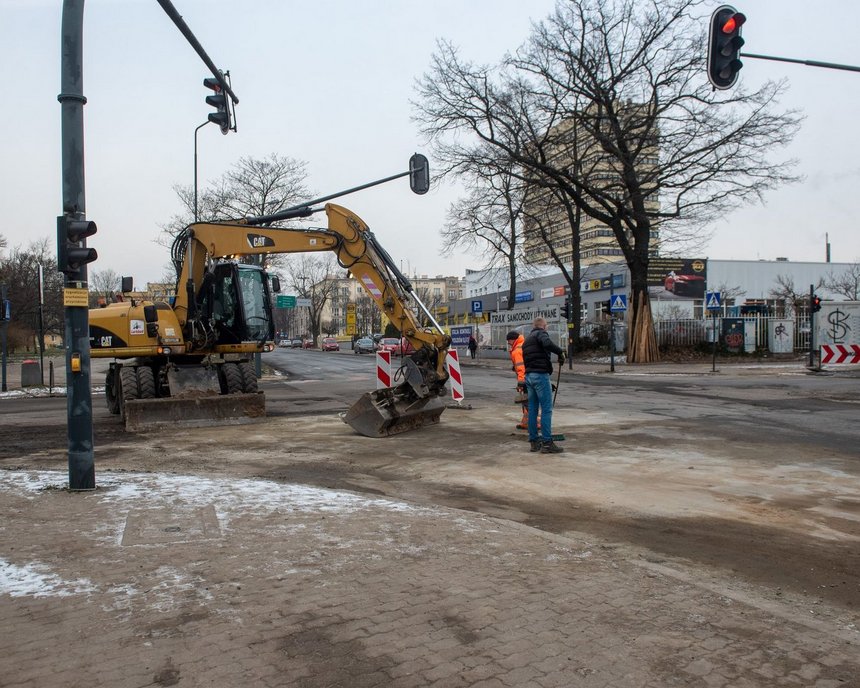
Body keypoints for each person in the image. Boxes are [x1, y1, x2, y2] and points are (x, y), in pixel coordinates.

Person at [522, 317, 565, 454]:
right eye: (546, 326)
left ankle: (534, 442)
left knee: (533, 410)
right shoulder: (541, 334)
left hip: (529, 377)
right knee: (546, 409)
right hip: (540, 375)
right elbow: (547, 343)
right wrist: (560, 352)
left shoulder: (527, 340)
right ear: (543, 326)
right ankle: (547, 442)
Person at [506, 330, 539, 431]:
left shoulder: (517, 350)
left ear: (513, 340)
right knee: (528, 400)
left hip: (525, 378)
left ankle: (536, 422)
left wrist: (521, 382)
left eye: (509, 341)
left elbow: (521, 367)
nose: (508, 343)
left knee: (527, 401)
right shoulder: (524, 344)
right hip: (532, 376)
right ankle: (526, 422)